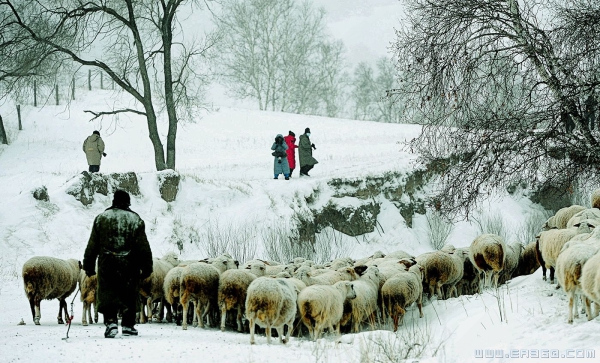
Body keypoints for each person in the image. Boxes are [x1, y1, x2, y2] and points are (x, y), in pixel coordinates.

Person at [83, 190, 153, 338]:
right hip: (129, 265)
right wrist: (147, 267)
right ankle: (128, 325)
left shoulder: (101, 218)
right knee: (129, 294)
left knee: (108, 293)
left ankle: (111, 323)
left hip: (107, 264)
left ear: (114, 201)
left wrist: (88, 265)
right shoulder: (135, 219)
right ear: (127, 202)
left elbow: (92, 245)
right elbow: (143, 247)